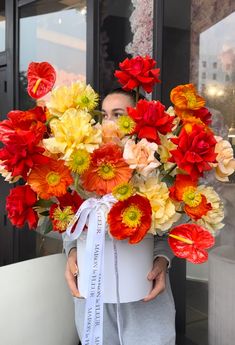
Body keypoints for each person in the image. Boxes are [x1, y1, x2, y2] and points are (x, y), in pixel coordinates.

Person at [64, 88, 176, 345]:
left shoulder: (156, 170)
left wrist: (162, 259)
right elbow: (68, 222)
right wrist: (71, 252)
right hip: (95, 307)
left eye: (118, 114)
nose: (109, 123)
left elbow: (174, 228)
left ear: (135, 122)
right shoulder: (82, 171)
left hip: (145, 306)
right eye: (104, 115)